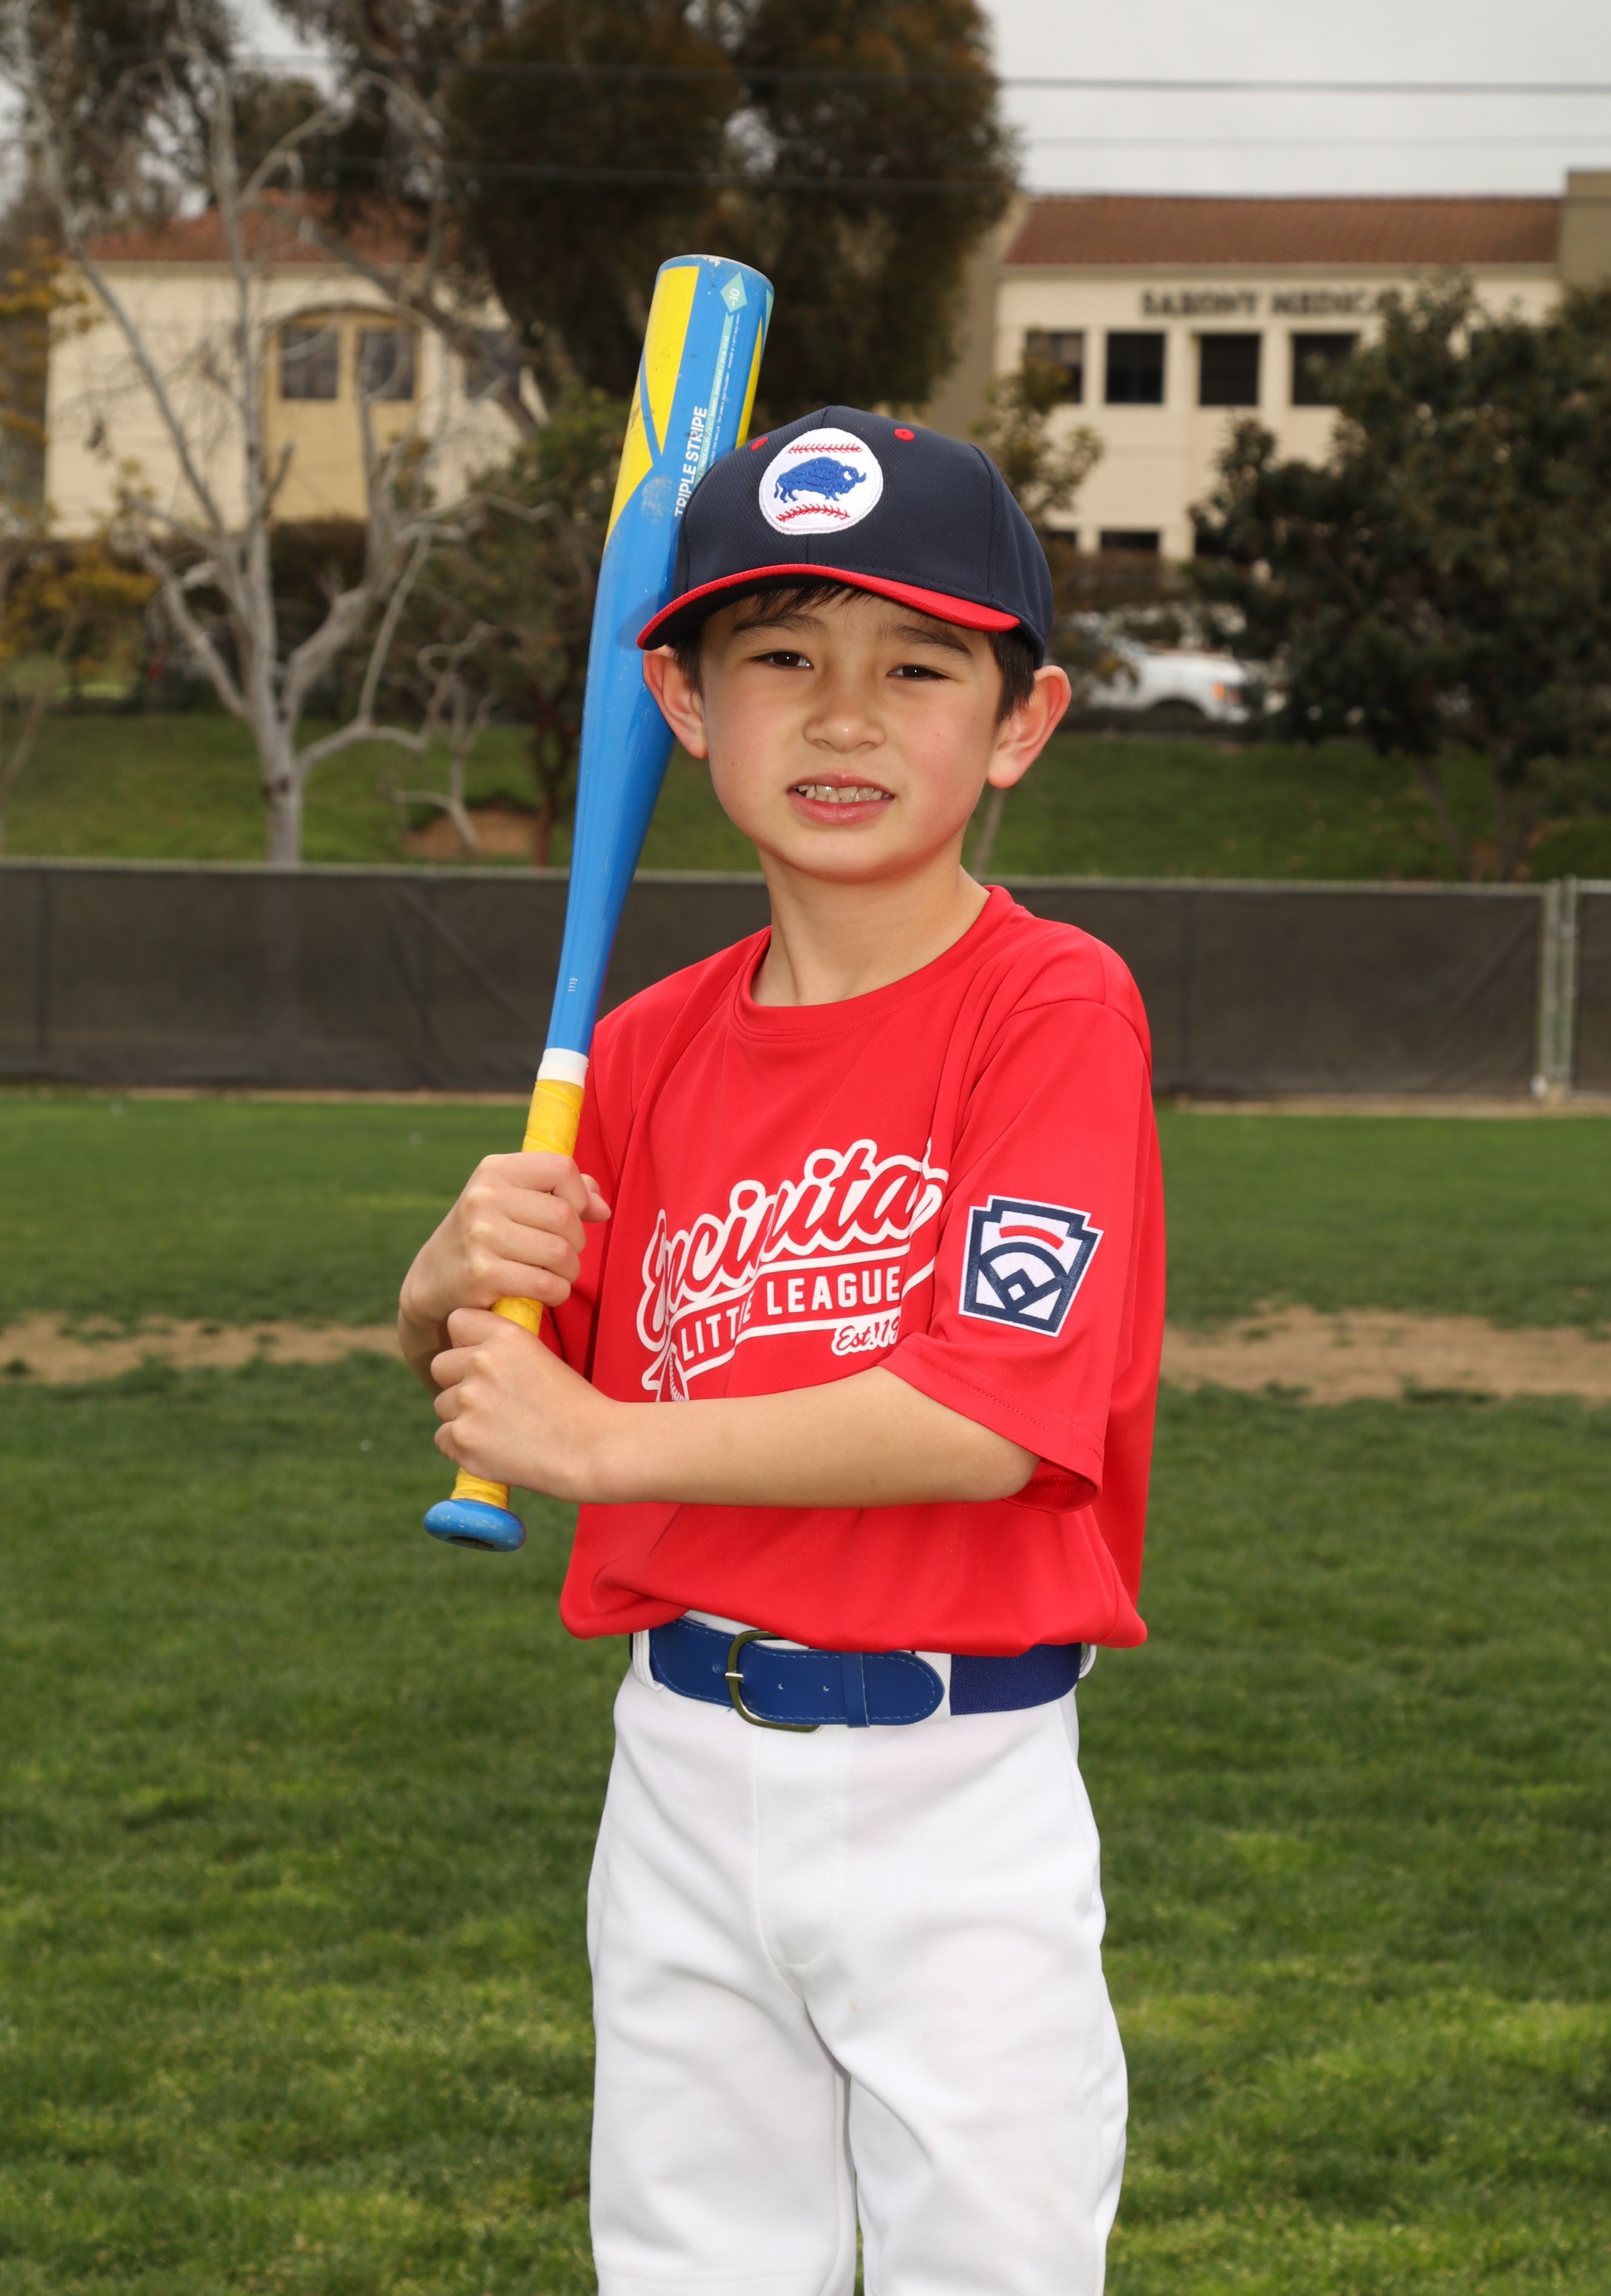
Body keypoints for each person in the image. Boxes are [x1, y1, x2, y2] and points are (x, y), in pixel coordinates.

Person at [398, 407, 1165, 2296]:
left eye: (918, 667)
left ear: (1022, 724)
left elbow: (983, 1420)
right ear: (681, 702)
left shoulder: (1050, 1007)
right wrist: (438, 1290)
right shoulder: (642, 1049)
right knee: (689, 2263)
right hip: (677, 1761)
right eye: (781, 658)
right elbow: (519, 1389)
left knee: (990, 2264)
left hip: (956, 1783)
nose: (844, 716)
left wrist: (600, 1447)